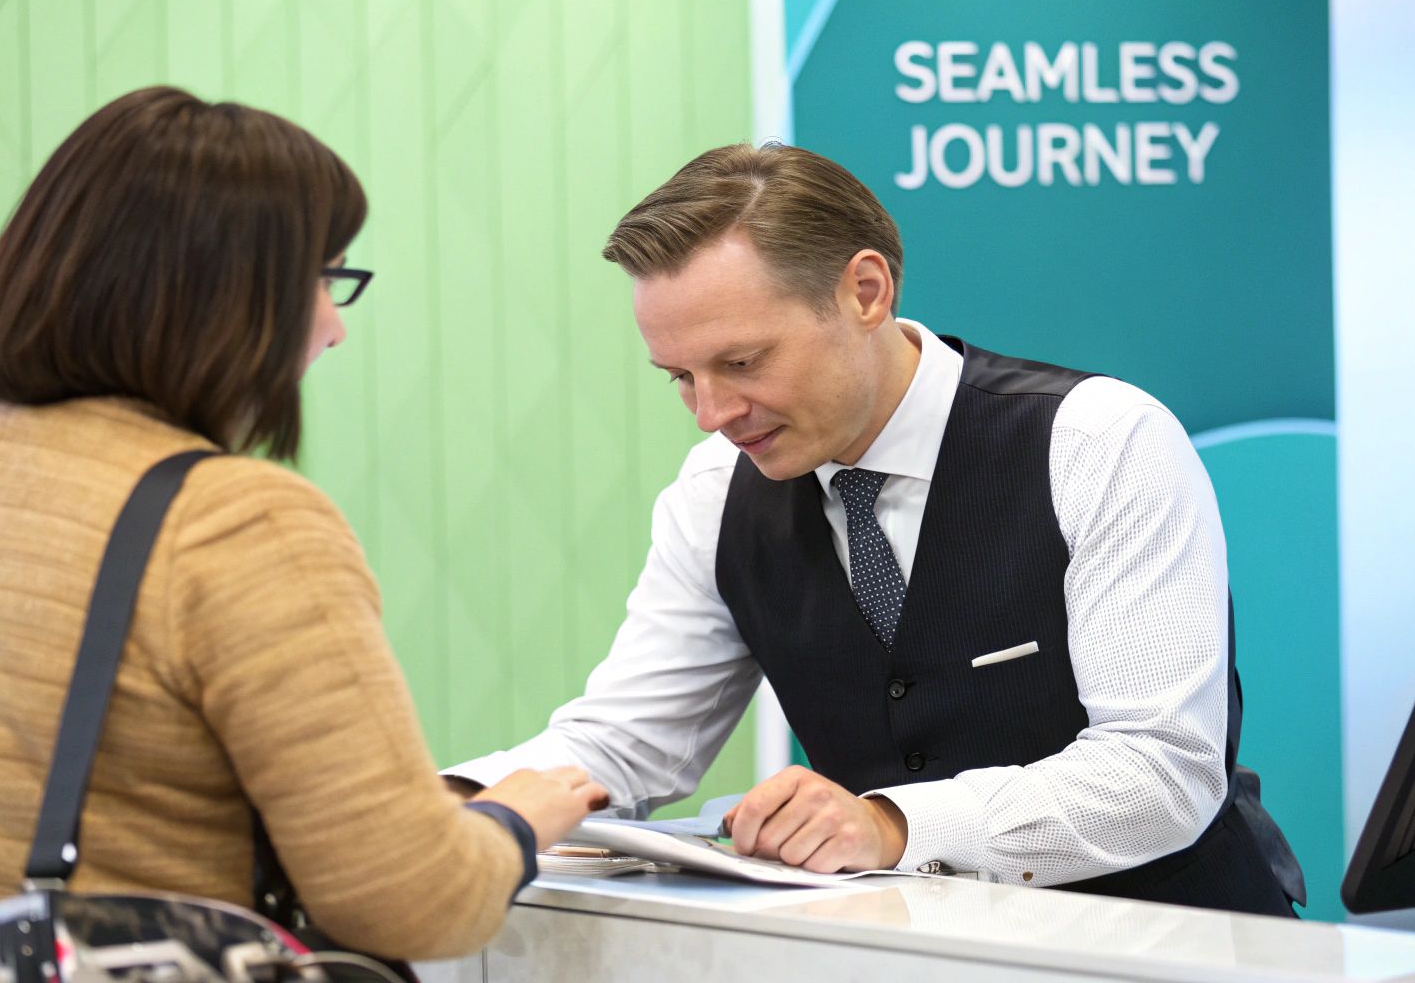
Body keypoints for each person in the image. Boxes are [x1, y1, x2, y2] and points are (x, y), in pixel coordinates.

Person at [0, 86, 607, 982]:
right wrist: (512, 819)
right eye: (325, 280)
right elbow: (407, 898)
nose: (334, 325)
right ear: (226, 296)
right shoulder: (235, 523)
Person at [448, 142, 1303, 915]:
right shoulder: (715, 491)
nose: (712, 413)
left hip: (1177, 942)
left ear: (865, 290)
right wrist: (446, 809)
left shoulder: (1099, 441)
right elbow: (629, 740)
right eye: (680, 376)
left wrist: (889, 826)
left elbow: (1158, 773)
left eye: (742, 363)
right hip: (904, 954)